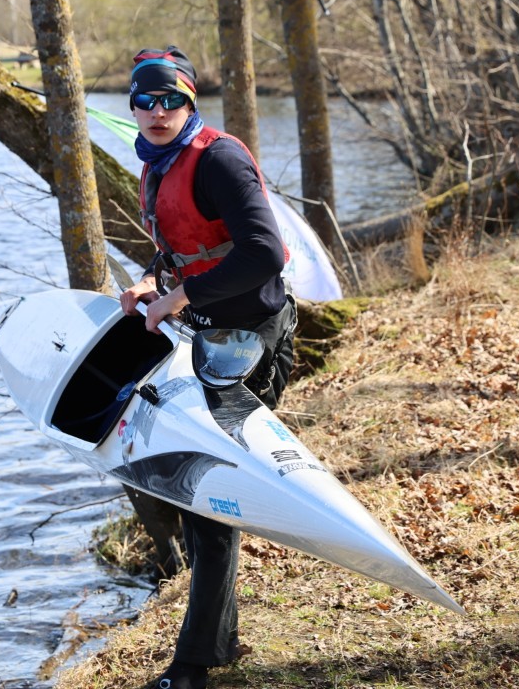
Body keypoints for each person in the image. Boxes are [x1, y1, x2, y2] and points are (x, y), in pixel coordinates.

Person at [118, 46, 298, 689]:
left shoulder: (218, 158)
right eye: (146, 100)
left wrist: (181, 296)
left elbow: (265, 253)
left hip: (253, 338)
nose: (158, 110)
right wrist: (151, 281)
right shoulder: (157, 160)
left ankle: (192, 669)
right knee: (198, 492)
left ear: (190, 101)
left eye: (171, 99)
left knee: (209, 494)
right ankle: (215, 644)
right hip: (207, 335)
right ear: (133, 106)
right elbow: (182, 246)